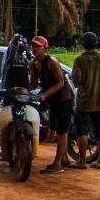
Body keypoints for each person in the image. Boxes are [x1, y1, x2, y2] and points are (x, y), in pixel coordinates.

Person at [70, 31, 100, 170]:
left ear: (83, 44)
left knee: (82, 132)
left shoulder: (80, 60)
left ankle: (82, 161)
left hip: (84, 102)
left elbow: (76, 79)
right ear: (96, 44)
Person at [28, 35, 75, 175]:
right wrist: (23, 90)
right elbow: (33, 83)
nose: (35, 49)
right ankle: (64, 158)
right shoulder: (33, 64)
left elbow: (60, 83)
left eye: (38, 46)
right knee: (55, 128)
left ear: (45, 48)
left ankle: (58, 163)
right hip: (53, 100)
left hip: (64, 98)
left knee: (62, 131)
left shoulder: (51, 62)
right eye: (33, 46)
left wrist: (45, 95)